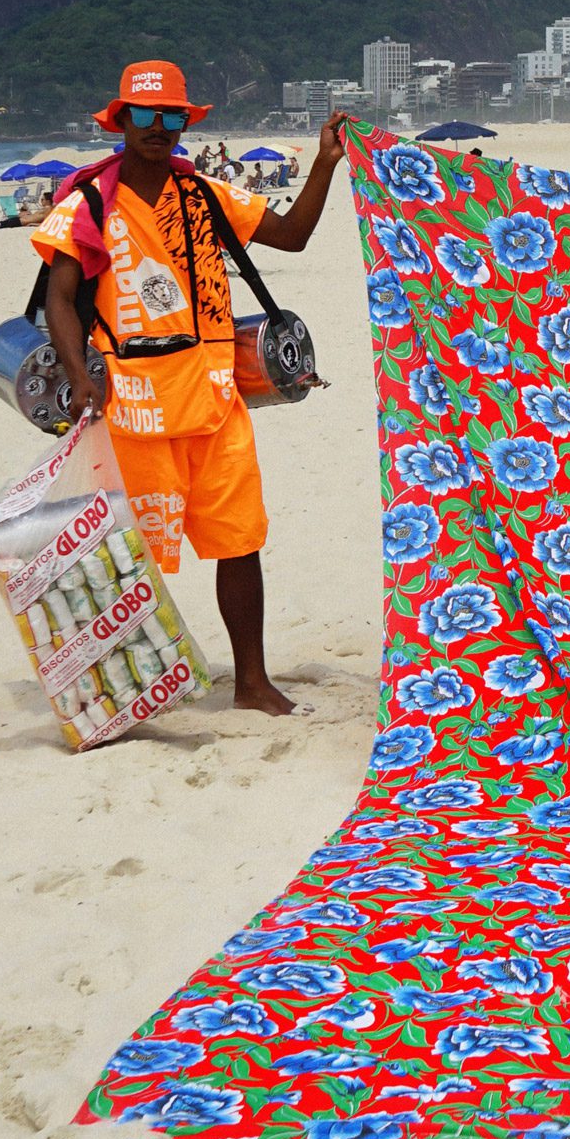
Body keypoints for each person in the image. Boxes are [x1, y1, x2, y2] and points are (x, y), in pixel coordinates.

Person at [34, 59, 350, 716]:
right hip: (133, 401)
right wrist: (75, 374)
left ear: (184, 122)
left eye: (170, 116)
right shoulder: (89, 203)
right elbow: (61, 299)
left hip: (213, 394)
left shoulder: (205, 195)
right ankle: (121, 685)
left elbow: (290, 236)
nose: (157, 128)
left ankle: (252, 682)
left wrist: (327, 162)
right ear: (121, 121)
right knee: (128, 557)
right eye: (144, 116)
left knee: (240, 540)